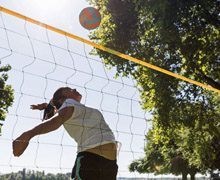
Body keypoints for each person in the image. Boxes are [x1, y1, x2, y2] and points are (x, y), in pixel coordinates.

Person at [13, 87, 119, 180]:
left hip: (109, 164)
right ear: (63, 99)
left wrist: (47, 105)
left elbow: (56, 108)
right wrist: (27, 135)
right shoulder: (68, 103)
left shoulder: (75, 106)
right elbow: (56, 121)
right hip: (91, 161)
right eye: (69, 90)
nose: (74, 89)